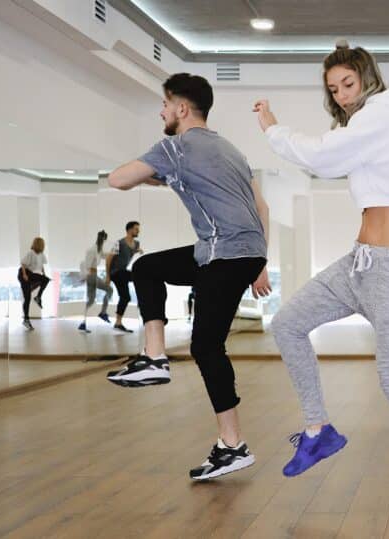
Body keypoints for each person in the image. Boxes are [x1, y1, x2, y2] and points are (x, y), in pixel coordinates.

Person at [257, 40, 389, 521]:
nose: (340, 94)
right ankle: (320, 431)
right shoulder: (368, 125)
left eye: (348, 84)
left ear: (368, 78)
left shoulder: (381, 116)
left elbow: (320, 156)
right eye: (333, 88)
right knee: (288, 324)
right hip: (359, 263)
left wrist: (273, 129)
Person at [105, 72, 271, 481]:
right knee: (147, 267)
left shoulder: (175, 146)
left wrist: (155, 168)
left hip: (222, 253)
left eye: (164, 104)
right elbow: (260, 206)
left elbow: (118, 179)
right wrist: (261, 260)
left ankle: (232, 444)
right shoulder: (229, 149)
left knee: (207, 347)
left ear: (181, 108)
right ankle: (155, 356)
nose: (161, 111)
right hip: (246, 252)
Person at [106, 221, 142, 332]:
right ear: (130, 230)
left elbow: (130, 251)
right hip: (116, 273)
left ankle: (118, 322)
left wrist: (137, 251)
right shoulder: (119, 243)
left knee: (126, 297)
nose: (138, 231)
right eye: (136, 229)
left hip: (123, 273)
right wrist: (107, 276)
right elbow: (108, 259)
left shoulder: (136, 243)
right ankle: (142, 303)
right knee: (139, 275)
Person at [79, 230, 113, 333]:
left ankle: (83, 323)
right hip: (91, 276)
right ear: (102, 239)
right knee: (110, 290)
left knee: (91, 300)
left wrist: (114, 254)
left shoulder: (98, 250)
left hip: (93, 275)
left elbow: (104, 256)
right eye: (105, 240)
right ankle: (103, 312)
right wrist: (85, 277)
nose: (105, 242)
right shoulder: (92, 250)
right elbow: (86, 265)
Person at [17, 237, 50, 331]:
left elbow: (42, 265)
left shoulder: (41, 254)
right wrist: (24, 275)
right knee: (27, 298)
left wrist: (44, 274)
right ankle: (26, 320)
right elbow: (23, 264)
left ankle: (38, 297)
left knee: (46, 280)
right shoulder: (30, 253)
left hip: (31, 274)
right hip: (24, 274)